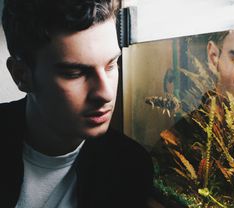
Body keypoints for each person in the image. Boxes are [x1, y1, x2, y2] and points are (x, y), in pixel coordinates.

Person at [0, 0, 153, 207]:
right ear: (22, 75)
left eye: (111, 65)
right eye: (75, 73)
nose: (105, 93)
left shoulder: (130, 166)